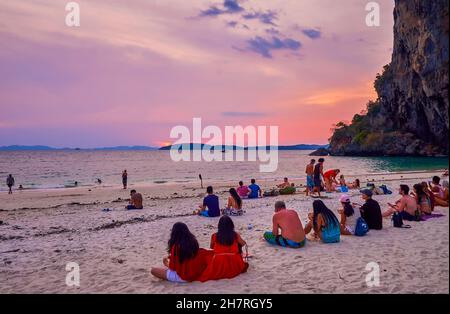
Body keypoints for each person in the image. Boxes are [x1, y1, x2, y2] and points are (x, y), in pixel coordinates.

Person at [198, 216, 248, 282]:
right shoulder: (235, 235)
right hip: (233, 261)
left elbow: (212, 248)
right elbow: (244, 244)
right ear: (231, 225)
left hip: (219, 261)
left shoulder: (214, 235)